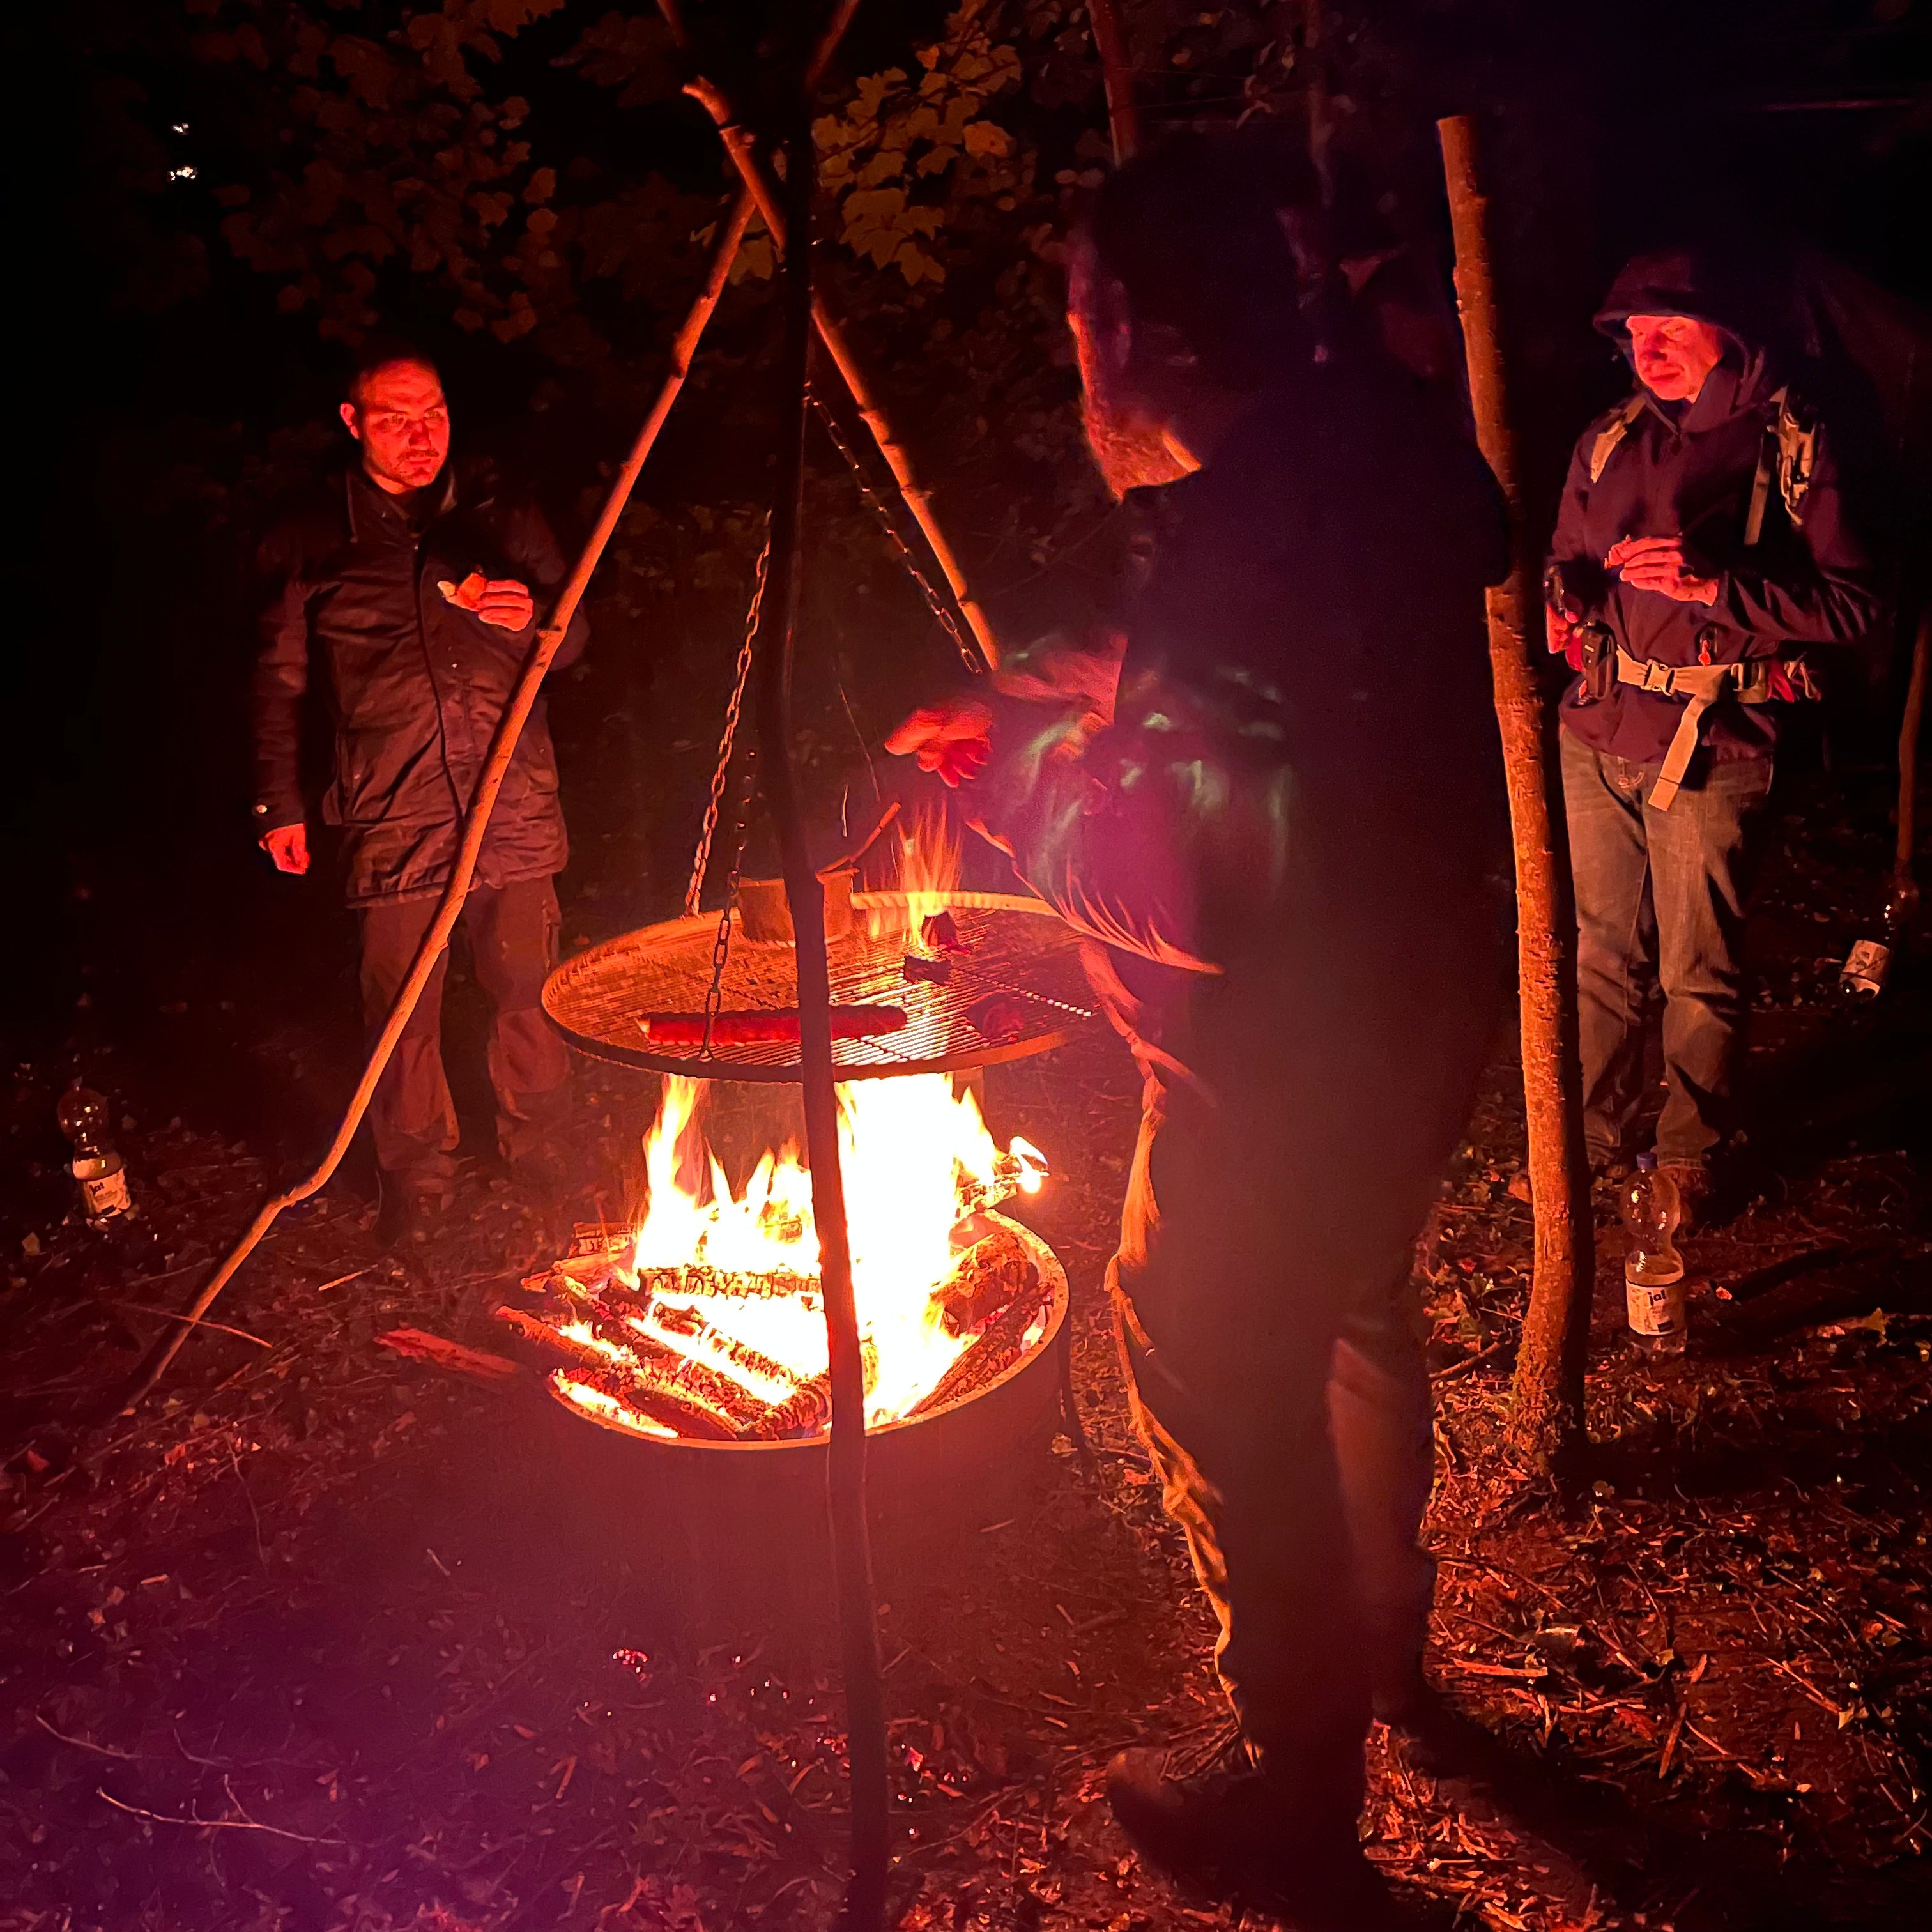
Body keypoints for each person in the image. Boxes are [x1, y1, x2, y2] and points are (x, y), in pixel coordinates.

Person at [889, 134, 1509, 1922]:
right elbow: (1304, 695)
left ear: (1136, 326)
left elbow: (1192, 889)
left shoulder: (1243, 534)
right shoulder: (1367, 445)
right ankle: (1383, 1653)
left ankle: (1291, 1784)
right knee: (1357, 1308)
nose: (1074, 355)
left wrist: (1021, 771)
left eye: (1078, 312)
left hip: (1278, 1049)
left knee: (1208, 1355)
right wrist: (1113, 680)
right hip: (1414, 991)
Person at [1544, 252, 1880, 1227]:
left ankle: (1688, 1154)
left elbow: (1857, 601)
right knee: (1603, 953)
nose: (1644, 352)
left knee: (1700, 967)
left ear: (1729, 332)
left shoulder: (1796, 440)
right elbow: (1565, 561)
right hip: (1600, 724)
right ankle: (1595, 1147)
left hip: (1714, 735)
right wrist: (1570, 600)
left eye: (1668, 333)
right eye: (1633, 336)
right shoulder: (1609, 440)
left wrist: (1714, 587)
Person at [253, 342, 588, 1242]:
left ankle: (545, 1149)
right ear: (354, 422)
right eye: (396, 418)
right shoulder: (312, 540)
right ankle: (419, 1185)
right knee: (403, 1011)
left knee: (529, 987)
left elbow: (574, 635)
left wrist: (535, 622)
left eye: (433, 412)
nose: (421, 435)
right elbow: (276, 684)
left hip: (510, 797)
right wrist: (277, 802)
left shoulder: (498, 515)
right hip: (392, 809)